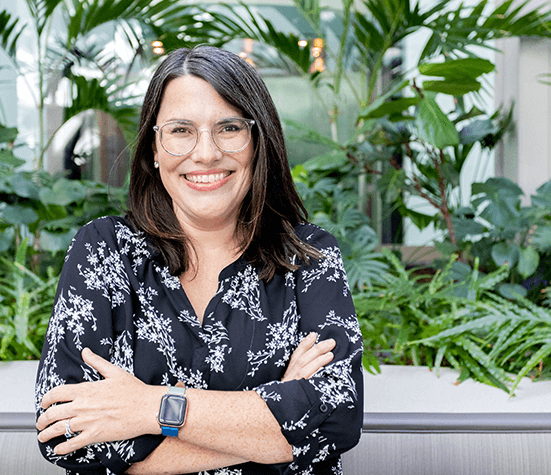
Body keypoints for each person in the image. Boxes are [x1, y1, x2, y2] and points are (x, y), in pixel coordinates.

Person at [34, 45, 363, 475]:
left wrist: (150, 406)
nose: (206, 153)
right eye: (181, 130)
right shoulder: (105, 251)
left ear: (257, 140)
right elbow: (66, 435)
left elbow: (337, 419)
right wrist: (276, 416)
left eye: (228, 128)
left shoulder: (308, 258)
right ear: (154, 147)